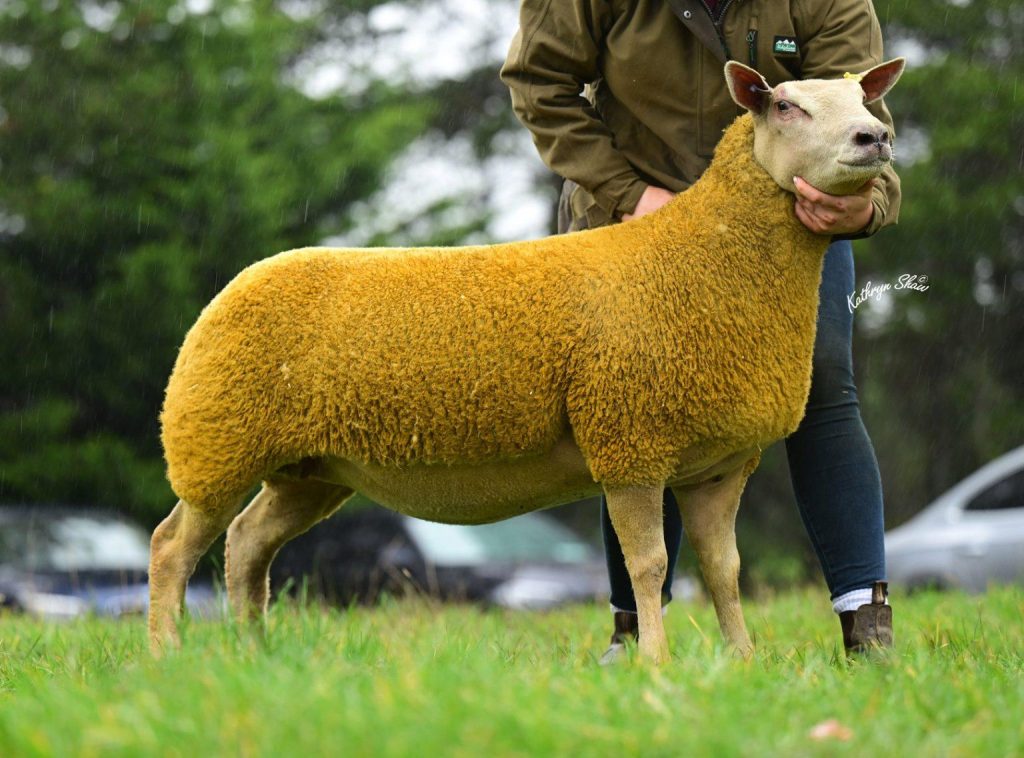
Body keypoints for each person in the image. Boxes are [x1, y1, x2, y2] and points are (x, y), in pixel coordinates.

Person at [500, 0, 900, 658]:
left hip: (785, 219)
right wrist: (628, 193)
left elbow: (862, 119)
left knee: (822, 382)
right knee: (631, 406)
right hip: (634, 209)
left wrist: (862, 205)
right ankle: (634, 630)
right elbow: (539, 84)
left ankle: (867, 627)